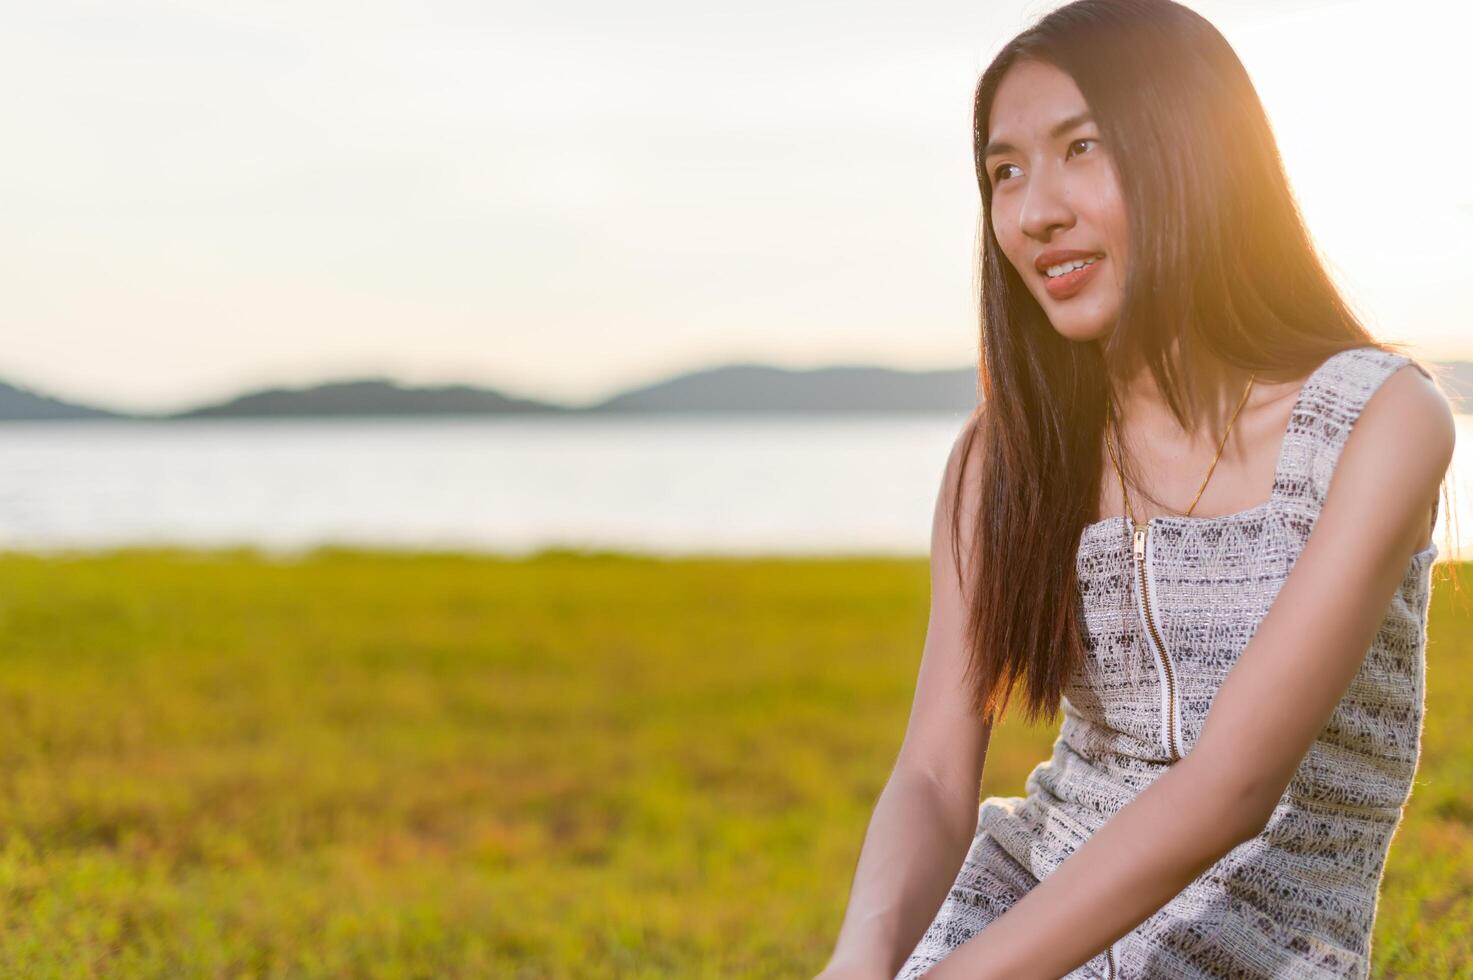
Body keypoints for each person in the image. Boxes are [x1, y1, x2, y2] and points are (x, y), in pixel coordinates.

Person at [815, 1, 1457, 978]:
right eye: (1005, 170)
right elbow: (938, 774)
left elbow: (1230, 784)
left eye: (1083, 148)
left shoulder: (1380, 422)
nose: (1036, 211)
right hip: (1013, 914)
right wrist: (859, 967)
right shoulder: (1006, 456)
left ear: (1194, 152)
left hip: (1255, 953)